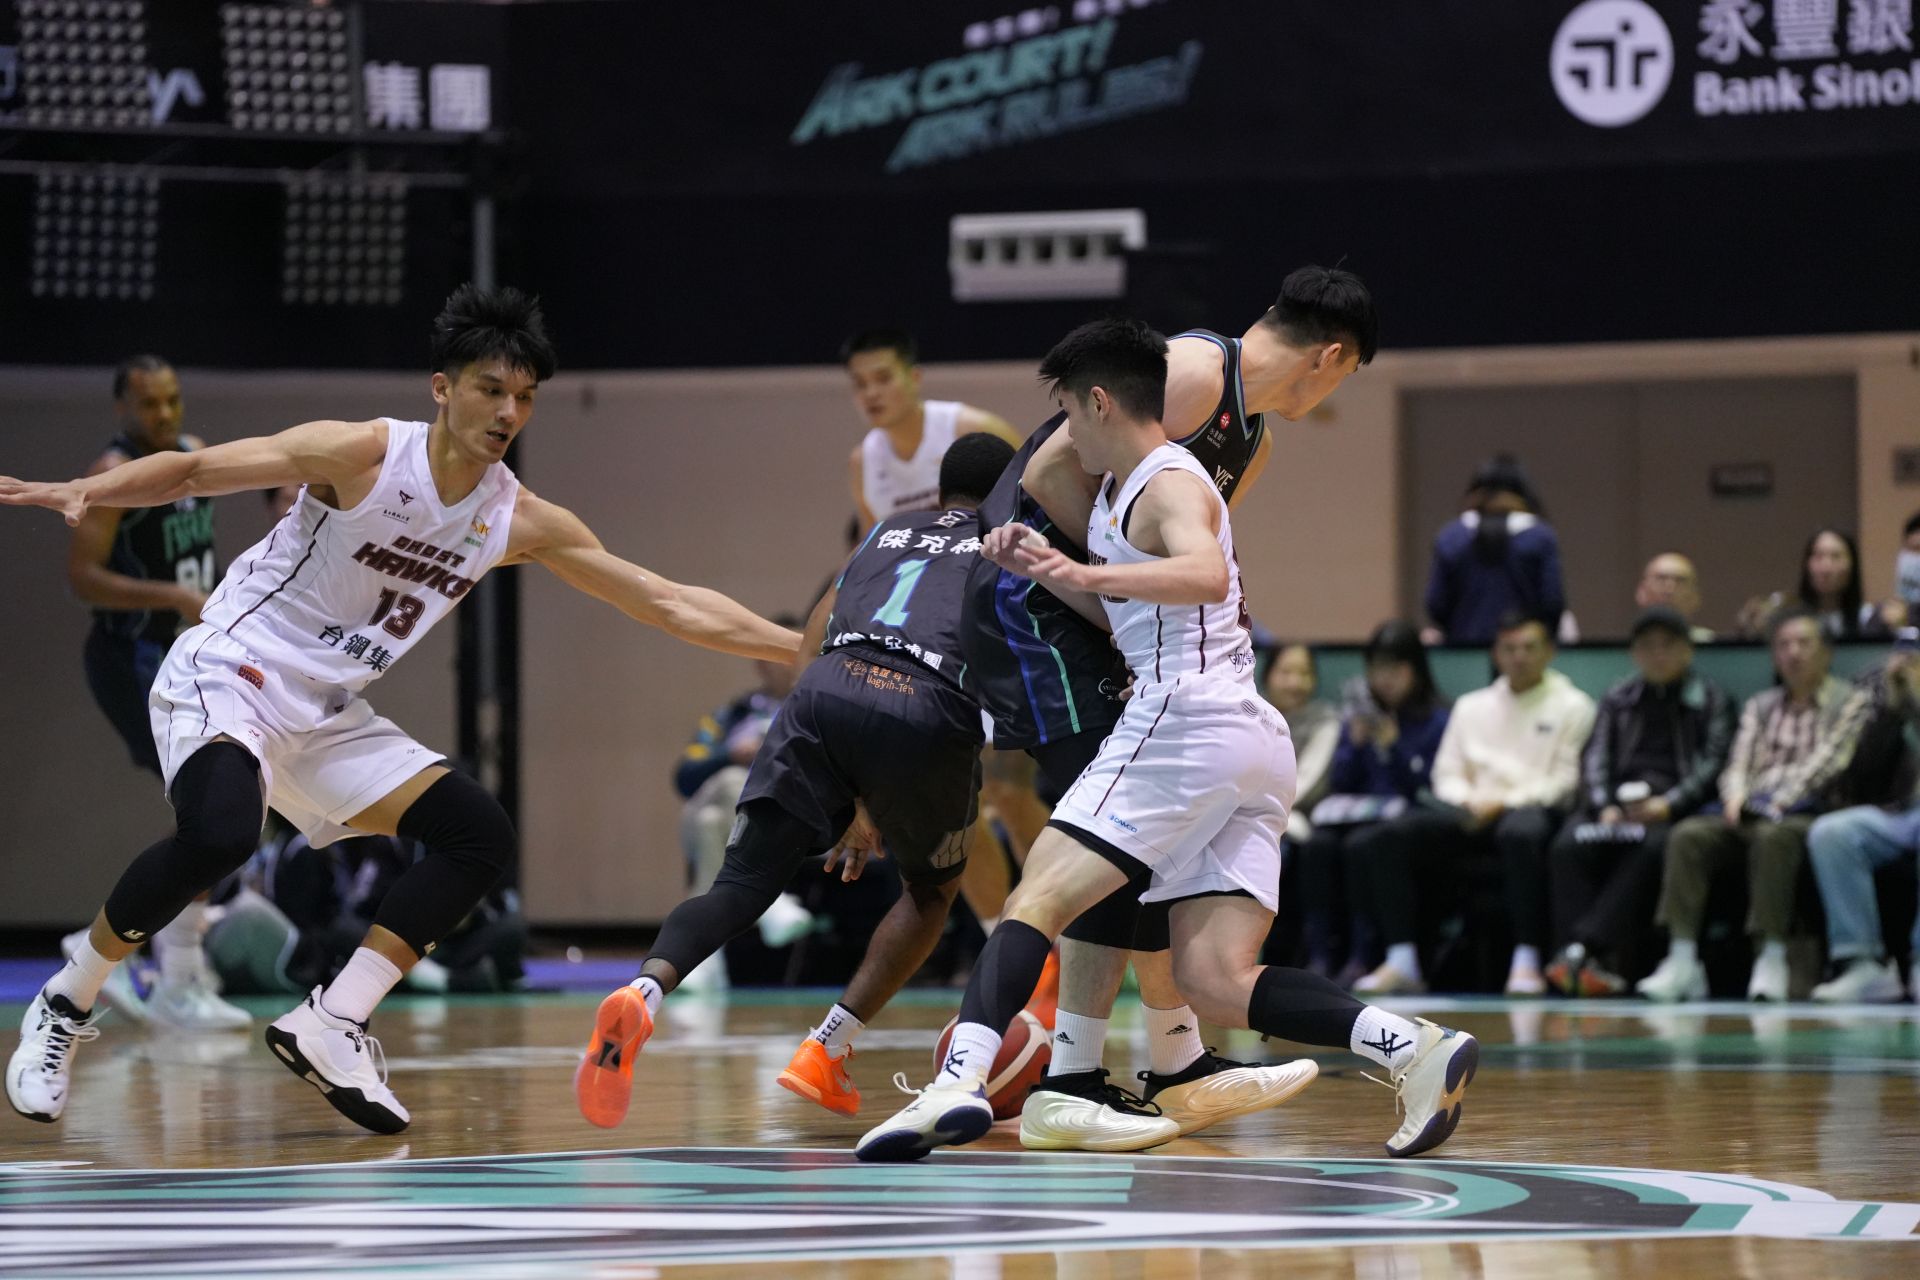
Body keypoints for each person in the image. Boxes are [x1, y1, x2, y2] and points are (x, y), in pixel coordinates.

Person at [2, 284, 800, 1134]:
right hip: (234, 667)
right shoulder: (364, 455)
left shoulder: (517, 517)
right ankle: (66, 1000)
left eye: (525, 396)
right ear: (442, 388)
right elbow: (199, 471)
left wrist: (804, 651)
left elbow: (667, 601)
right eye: (491, 389)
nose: (509, 412)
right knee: (222, 832)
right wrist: (89, 491)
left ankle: (333, 1021)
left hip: (327, 710)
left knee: (477, 835)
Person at [855, 318, 1476, 1164]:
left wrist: (1079, 570)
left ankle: (957, 1085)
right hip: (1250, 745)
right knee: (1214, 979)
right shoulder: (1125, 496)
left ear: (1100, 403)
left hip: (1187, 724)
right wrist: (1045, 567)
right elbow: (1131, 602)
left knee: (1038, 896)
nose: (1065, 435)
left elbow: (1205, 574)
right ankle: (1413, 1048)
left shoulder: (1171, 479)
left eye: (1067, 413)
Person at [959, 266, 1382, 1150]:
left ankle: (1170, 1061)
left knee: (1146, 841)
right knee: (1106, 839)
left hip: (1101, 613)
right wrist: (1101, 586)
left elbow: (1193, 550)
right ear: (1332, 356)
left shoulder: (1255, 441)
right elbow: (1049, 470)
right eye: (1347, 376)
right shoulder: (1194, 370)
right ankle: (1072, 1076)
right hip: (1034, 599)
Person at [572, 433, 1018, 1129]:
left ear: (940, 491)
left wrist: (845, 775)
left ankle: (644, 990)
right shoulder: (1005, 546)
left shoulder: (887, 531)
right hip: (924, 700)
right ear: (1008, 492)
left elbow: (813, 636)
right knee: (930, 893)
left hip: (822, 690)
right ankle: (825, 1050)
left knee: (739, 882)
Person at [60, 355, 248, 1032]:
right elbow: (83, 577)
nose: (164, 414)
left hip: (185, 655)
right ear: (123, 409)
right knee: (212, 808)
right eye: (149, 404)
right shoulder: (113, 473)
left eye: (172, 400)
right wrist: (170, 596)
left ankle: (162, 969)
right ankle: (167, 974)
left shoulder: (194, 455)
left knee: (223, 809)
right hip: (130, 659)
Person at [1350, 612, 1596, 996]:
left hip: (1530, 811)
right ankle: (1402, 961)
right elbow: (1446, 774)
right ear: (1495, 654)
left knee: (1521, 832)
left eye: (1529, 648)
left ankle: (1527, 959)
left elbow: (1563, 784)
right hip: (1469, 811)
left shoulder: (1574, 705)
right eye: (1509, 648)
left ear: (1549, 651)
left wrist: (1503, 802)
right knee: (1387, 836)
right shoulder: (1471, 706)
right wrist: (1468, 802)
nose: (1518, 657)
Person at [1640, 608, 1872, 1002]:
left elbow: (1828, 764)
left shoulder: (1850, 701)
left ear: (1827, 652)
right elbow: (1739, 761)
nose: (1793, 653)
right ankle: (1681, 959)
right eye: (1783, 645)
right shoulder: (1761, 705)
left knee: (1773, 837)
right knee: (1689, 835)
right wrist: (1734, 797)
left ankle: (1771, 956)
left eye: (1803, 643)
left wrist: (1778, 803)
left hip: (1809, 812)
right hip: (1751, 809)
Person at [1543, 608, 1736, 996]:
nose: (1658, 654)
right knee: (1567, 844)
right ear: (1634, 653)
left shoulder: (1713, 699)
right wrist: (1605, 805)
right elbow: (1596, 758)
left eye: (1668, 645)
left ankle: (1581, 951)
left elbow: (1714, 766)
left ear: (1687, 650)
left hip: (1674, 810)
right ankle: (1583, 962)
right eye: (1648, 646)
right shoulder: (1618, 697)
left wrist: (1668, 805)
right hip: (1617, 807)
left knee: (1656, 846)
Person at [1297, 621, 1450, 982]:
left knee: (1361, 845)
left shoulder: (1437, 719)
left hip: (1407, 823)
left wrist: (1393, 747)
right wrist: (1355, 745)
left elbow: (1429, 788)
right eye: (1377, 669)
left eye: (1396, 669)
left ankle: (1363, 954)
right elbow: (1340, 781)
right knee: (1317, 845)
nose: (1385, 679)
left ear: (1416, 670)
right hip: (1355, 814)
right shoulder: (1359, 717)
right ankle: (1320, 955)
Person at [673, 621, 812, 987]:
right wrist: (732, 755)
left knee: (710, 823)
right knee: (732, 782)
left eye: (798, 651)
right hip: (735, 810)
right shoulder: (732, 715)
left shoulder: (817, 711)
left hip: (791, 821)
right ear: (761, 661)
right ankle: (772, 901)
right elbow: (684, 777)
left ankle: (702, 957)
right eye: (779, 652)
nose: (791, 661)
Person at [1807, 634, 1920, 1004]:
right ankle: (1862, 963)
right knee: (1832, 832)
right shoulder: (1882, 694)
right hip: (1899, 812)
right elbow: (1864, 774)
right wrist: (1894, 708)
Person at [844, 328, 1019, 532]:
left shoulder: (974, 429)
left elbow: (1030, 497)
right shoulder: (861, 463)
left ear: (915, 377)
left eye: (883, 378)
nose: (871, 393)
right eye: (860, 384)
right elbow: (872, 543)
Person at [1422, 455, 1566, 646]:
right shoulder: (1540, 537)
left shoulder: (1451, 536)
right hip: (1524, 653)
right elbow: (1552, 603)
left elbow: (1436, 604)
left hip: (1463, 651)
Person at [1740, 528, 1886, 642]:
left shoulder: (1869, 618)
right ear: (1807, 565)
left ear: (1852, 566)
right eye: (1818, 556)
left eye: (1836, 557)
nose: (1825, 568)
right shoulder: (1788, 617)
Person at [1635, 553, 1715, 644]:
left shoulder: (1711, 646)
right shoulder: (1627, 646)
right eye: (1661, 579)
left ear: (1695, 597)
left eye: (1680, 581)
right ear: (1642, 592)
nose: (1670, 588)